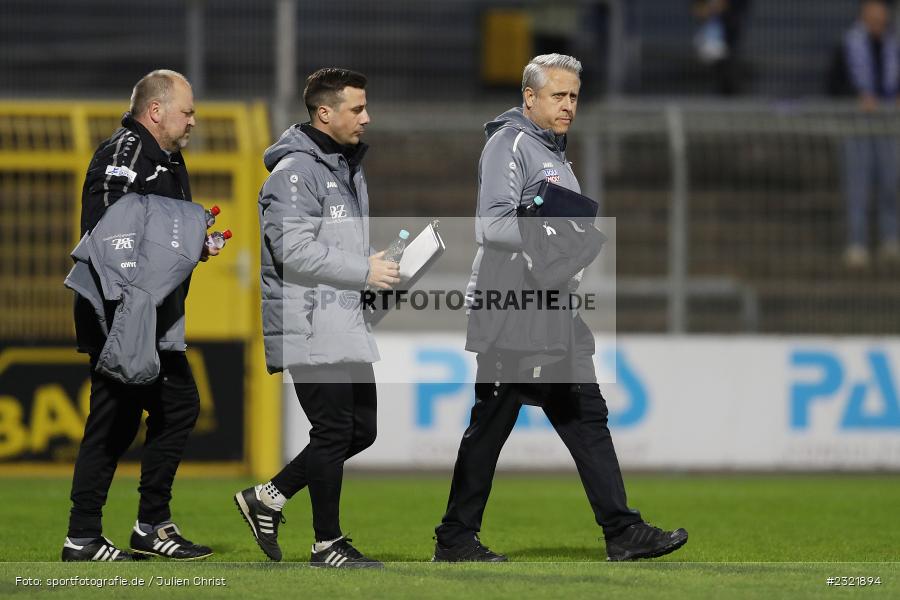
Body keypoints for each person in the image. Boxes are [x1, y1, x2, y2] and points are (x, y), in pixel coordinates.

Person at [432, 54, 688, 563]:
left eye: (574, 96)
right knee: (492, 420)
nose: (569, 105)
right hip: (513, 304)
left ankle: (621, 530)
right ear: (530, 98)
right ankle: (455, 537)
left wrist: (568, 241)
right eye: (558, 95)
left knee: (585, 414)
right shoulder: (509, 143)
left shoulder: (554, 152)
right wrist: (560, 235)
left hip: (551, 307)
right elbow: (492, 225)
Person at [234, 68, 397, 568]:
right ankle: (327, 543)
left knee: (359, 430)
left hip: (340, 318)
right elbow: (292, 251)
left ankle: (269, 497)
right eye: (356, 109)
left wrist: (380, 268)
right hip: (308, 319)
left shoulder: (344, 168)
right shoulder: (293, 174)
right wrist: (362, 269)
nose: (366, 118)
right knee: (333, 431)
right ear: (324, 113)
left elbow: (336, 244)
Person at [63, 69, 216, 562]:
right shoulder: (124, 153)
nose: (193, 121)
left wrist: (193, 240)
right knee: (119, 417)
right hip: (120, 314)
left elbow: (155, 233)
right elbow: (110, 231)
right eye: (186, 111)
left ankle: (143, 526)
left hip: (147, 315)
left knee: (159, 410)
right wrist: (180, 231)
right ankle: (91, 536)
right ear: (156, 111)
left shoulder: (169, 160)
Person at [832, 0, 900, 267]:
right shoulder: (847, 45)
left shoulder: (893, 45)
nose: (877, 19)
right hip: (856, 126)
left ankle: (890, 239)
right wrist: (857, 98)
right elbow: (834, 84)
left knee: (890, 183)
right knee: (857, 185)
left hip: (888, 126)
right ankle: (857, 242)